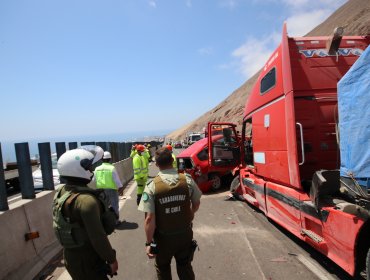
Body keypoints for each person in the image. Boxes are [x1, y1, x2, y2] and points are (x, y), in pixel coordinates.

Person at [52, 146, 118, 280]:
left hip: (71, 258)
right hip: (88, 260)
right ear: (79, 169)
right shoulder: (87, 201)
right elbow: (98, 237)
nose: (92, 170)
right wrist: (111, 259)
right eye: (89, 168)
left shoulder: (61, 192)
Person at [138, 147, 202, 280]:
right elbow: (196, 203)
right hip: (184, 234)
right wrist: (190, 214)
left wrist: (148, 243)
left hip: (163, 240)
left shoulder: (152, 186)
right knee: (185, 266)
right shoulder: (187, 180)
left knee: (163, 268)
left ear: (156, 164)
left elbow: (149, 219)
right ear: (172, 160)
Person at [93, 151, 123, 225]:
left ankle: (104, 222)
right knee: (114, 205)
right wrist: (120, 188)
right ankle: (115, 222)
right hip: (111, 190)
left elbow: (94, 180)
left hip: (101, 191)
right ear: (110, 159)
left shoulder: (97, 169)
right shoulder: (111, 168)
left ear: (101, 159)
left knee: (103, 206)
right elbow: (116, 179)